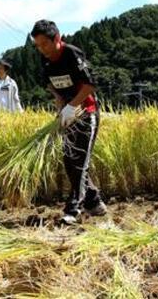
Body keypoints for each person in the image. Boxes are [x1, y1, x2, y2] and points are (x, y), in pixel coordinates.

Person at [29, 19, 107, 225]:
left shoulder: (72, 53)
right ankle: (95, 202)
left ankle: (74, 210)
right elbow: (53, 88)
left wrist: (72, 107)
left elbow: (90, 85)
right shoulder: (45, 61)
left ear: (57, 38)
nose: (42, 49)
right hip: (68, 115)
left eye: (44, 44)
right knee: (70, 161)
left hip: (85, 113)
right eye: (37, 45)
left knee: (80, 162)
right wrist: (61, 109)